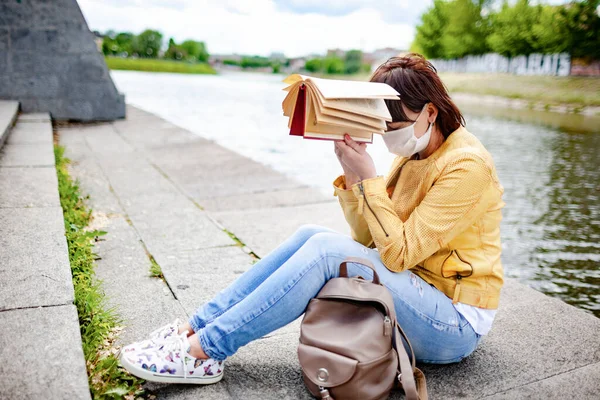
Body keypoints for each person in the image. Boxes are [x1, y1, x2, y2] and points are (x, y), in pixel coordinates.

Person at [119, 53, 505, 384]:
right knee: (311, 234)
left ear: (430, 112)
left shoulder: (466, 166)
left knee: (324, 251)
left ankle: (203, 352)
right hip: (413, 293)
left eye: (394, 125)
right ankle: (194, 327)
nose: (388, 135)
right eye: (381, 125)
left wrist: (370, 180)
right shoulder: (415, 152)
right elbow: (367, 238)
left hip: (453, 321)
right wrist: (354, 177)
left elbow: (397, 254)